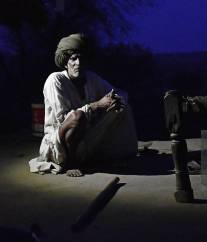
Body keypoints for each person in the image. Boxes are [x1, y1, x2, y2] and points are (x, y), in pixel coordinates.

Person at [29, 33, 137, 177]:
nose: (78, 63)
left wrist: (114, 99)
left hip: (86, 141)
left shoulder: (91, 78)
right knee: (78, 117)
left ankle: (116, 154)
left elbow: (120, 92)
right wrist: (97, 105)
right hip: (59, 147)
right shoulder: (55, 80)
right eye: (73, 59)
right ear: (66, 61)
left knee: (121, 107)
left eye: (82, 58)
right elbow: (65, 121)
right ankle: (71, 164)